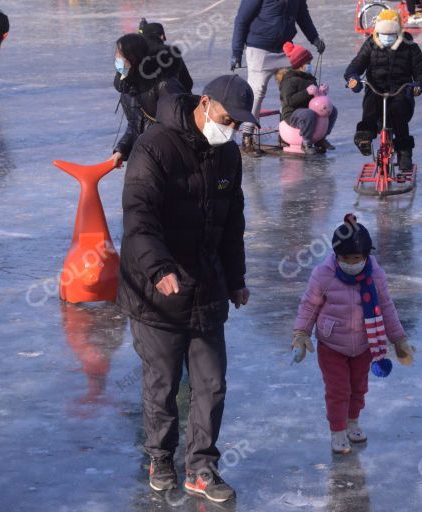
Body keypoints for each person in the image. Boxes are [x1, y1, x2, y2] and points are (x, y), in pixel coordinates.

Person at [117, 75, 255, 503]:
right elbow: (138, 215)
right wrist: (159, 268)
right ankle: (160, 457)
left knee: (211, 383)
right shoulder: (154, 147)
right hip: (155, 290)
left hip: (207, 286)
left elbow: (232, 222)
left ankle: (201, 468)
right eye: (227, 118)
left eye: (237, 123)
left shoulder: (228, 154)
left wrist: (236, 279)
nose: (230, 128)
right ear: (206, 103)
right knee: (162, 384)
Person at [292, 214, 414, 454]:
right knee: (338, 390)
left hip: (365, 344)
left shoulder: (375, 275)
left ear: (367, 255)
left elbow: (386, 306)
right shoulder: (323, 274)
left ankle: (352, 422)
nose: (351, 262)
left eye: (356, 258)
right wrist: (301, 332)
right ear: (337, 255)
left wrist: (398, 339)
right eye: (345, 258)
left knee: (359, 387)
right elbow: (309, 306)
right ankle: (337, 431)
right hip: (332, 345)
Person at [231, 0, 325, 155]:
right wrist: (236, 52)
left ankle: (293, 135)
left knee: (295, 88)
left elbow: (303, 16)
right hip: (259, 48)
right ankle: (247, 138)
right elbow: (241, 19)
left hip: (285, 49)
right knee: (256, 92)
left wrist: (314, 38)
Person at [344, 9, 422, 172]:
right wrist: (353, 79)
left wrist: (418, 85)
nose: (387, 37)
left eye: (391, 33)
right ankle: (364, 136)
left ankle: (404, 153)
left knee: (398, 112)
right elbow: (355, 66)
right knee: (370, 106)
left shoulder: (410, 47)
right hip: (376, 89)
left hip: (401, 91)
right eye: (383, 33)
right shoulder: (371, 44)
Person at [111, 33, 185, 168]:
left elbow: (178, 125)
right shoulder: (129, 86)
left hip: (170, 155)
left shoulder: (163, 85)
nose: (116, 57)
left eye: (120, 54)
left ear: (133, 57)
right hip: (148, 153)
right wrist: (122, 149)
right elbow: (136, 124)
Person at [277, 42, 337, 155]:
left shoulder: (309, 78)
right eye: (308, 63)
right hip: (292, 113)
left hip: (308, 109)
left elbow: (314, 100)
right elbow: (289, 101)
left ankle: (321, 139)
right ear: (300, 64)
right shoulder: (289, 80)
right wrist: (307, 92)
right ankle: (306, 143)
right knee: (308, 114)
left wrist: (321, 92)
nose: (310, 65)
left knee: (332, 111)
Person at [138, 18, 193, 93]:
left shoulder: (135, 54)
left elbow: (120, 84)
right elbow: (187, 83)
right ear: (161, 37)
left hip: (139, 103)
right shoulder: (172, 54)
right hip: (168, 101)